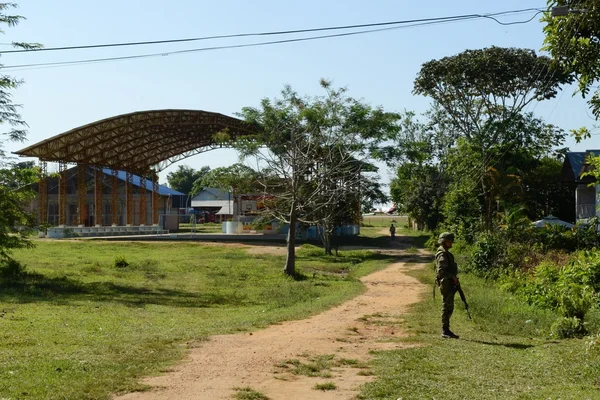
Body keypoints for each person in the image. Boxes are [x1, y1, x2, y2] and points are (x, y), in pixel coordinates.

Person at [435, 232, 460, 339]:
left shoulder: (445, 253)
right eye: (449, 241)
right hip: (446, 283)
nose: (451, 243)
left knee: (449, 306)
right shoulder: (443, 254)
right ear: (444, 241)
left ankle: (446, 329)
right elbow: (441, 271)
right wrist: (452, 277)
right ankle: (445, 330)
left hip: (448, 282)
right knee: (447, 306)